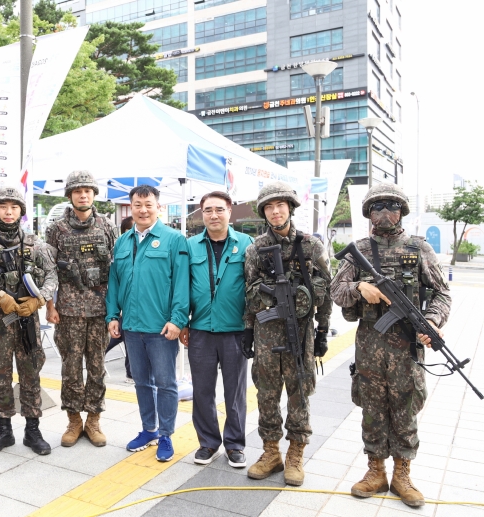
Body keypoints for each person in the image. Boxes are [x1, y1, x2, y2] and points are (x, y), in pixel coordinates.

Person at [331, 183, 451, 508]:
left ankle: (402, 474)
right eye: (378, 206)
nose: (385, 212)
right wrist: (360, 287)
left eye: (392, 206)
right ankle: (375, 471)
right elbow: (336, 290)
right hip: (370, 345)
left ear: (402, 211)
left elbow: (442, 293)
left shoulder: (419, 248)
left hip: (407, 346)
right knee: (372, 409)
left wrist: (433, 321)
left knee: (405, 408)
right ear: (368, 213)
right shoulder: (359, 250)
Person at [243, 182, 332, 486]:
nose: (275, 212)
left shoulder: (311, 246)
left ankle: (295, 454)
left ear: (290, 208)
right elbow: (248, 291)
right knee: (267, 393)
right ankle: (271, 452)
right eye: (269, 207)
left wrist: (323, 330)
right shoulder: (255, 249)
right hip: (266, 333)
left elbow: (326, 289)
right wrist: (248, 330)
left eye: (280, 205)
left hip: (301, 331)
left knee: (299, 393)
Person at [0, 186, 58, 456]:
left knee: (31, 375)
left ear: (21, 211)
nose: (9, 212)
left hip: (28, 320)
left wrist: (40, 299)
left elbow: (52, 275)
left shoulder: (35, 243)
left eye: (14, 207)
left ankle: (32, 430)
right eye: (3, 207)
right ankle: (4, 430)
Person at [106, 185, 189, 462]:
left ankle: (165, 434)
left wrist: (177, 320)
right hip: (131, 327)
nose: (143, 210)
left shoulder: (174, 240)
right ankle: (149, 429)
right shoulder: (122, 242)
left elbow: (182, 284)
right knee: (141, 382)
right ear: (131, 207)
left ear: (158, 207)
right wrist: (112, 315)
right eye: (137, 205)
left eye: (148, 204)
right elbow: (114, 282)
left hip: (161, 328)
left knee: (166, 383)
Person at [180, 191, 253, 467]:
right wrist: (183, 321)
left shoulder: (246, 244)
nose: (213, 215)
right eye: (208, 210)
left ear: (229, 211)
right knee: (202, 391)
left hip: (235, 330)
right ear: (202, 213)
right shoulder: (190, 246)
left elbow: (253, 288)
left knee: (235, 392)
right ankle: (208, 443)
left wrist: (252, 326)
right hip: (200, 329)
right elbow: (182, 288)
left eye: (219, 209)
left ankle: (235, 445)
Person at [45, 171, 117, 447]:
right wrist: (50, 306)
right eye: (77, 191)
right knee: (71, 369)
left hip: (100, 310)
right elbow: (48, 270)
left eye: (87, 190)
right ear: (70, 195)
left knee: (97, 367)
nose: (83, 195)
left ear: (94, 194)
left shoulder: (107, 226)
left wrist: (114, 310)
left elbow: (116, 270)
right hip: (68, 311)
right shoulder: (57, 229)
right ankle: (74, 421)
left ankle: (94, 420)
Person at [105, 216, 134, 384]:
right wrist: (114, 314)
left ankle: (131, 373)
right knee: (118, 338)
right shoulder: (120, 249)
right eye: (129, 229)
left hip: (139, 313)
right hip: (124, 312)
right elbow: (114, 283)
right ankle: (130, 373)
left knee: (126, 342)